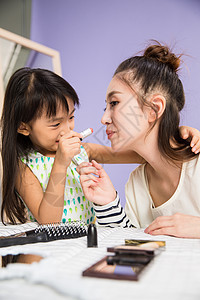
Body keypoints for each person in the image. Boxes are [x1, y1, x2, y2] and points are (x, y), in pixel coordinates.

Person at [1, 67, 199, 225]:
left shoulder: (83, 150)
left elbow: (144, 153)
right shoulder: (24, 167)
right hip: (58, 248)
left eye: (70, 118)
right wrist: (60, 164)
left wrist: (177, 134)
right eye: (55, 124)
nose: (67, 129)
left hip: (92, 241)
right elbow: (48, 221)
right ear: (23, 127)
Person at [77, 42, 200, 238]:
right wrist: (107, 203)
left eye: (114, 103)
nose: (104, 119)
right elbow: (132, 242)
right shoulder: (136, 183)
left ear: (154, 109)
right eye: (105, 107)